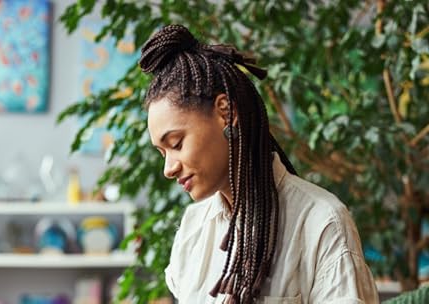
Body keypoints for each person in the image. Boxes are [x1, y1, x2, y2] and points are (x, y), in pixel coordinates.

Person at [139, 24, 379, 304]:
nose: (169, 168)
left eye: (177, 144)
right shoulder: (193, 230)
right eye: (162, 152)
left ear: (225, 112)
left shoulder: (322, 222)